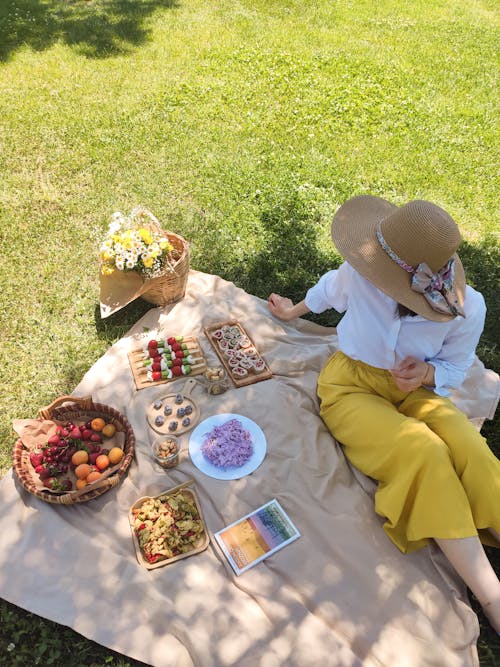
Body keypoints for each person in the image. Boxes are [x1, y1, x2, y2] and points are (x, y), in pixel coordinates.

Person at [268, 195, 500, 633]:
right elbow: (325, 293)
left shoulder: (467, 308)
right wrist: (292, 312)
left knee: (466, 442)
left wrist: (429, 372)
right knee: (424, 453)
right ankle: (489, 592)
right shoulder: (361, 271)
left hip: (413, 391)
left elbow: (457, 365)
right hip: (350, 386)